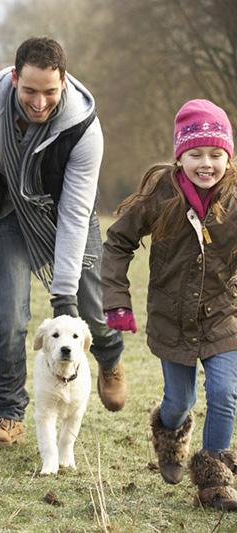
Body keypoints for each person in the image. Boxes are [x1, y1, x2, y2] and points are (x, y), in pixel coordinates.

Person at [0, 37, 126, 448]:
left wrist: (64, 296)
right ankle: (8, 414)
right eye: (29, 91)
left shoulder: (84, 127)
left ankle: (110, 355)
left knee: (89, 313)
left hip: (64, 215)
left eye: (50, 91)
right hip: (7, 214)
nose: (40, 102)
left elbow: (76, 214)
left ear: (64, 81)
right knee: (9, 316)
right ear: (14, 79)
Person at [102, 99, 237, 510]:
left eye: (216, 155)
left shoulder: (233, 198)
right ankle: (169, 432)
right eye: (196, 155)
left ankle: (215, 479)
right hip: (171, 319)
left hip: (223, 316)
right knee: (180, 401)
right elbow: (117, 243)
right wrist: (117, 303)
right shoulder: (159, 195)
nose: (207, 164)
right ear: (180, 156)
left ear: (228, 156)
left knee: (225, 392)